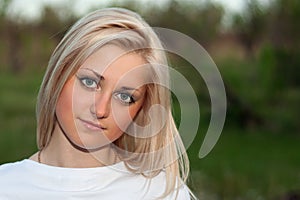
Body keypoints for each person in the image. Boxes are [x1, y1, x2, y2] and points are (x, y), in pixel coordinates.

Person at [0, 8, 194, 199]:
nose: (101, 109)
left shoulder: (161, 193)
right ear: (59, 73)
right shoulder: (6, 186)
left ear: (141, 109)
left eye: (124, 97)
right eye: (89, 82)